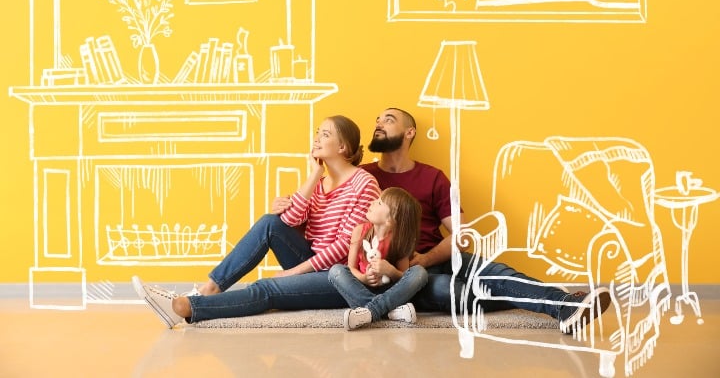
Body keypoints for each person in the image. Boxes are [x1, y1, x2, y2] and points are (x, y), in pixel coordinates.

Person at [361, 107, 611, 334]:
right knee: (446, 291)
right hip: (401, 271)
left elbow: (463, 235)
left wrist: (426, 258)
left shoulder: (432, 177)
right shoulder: (365, 177)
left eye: (388, 120)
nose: (379, 124)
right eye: (377, 120)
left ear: (409, 132)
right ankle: (529, 295)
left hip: (438, 256)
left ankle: (565, 306)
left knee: (499, 273)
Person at [132, 115, 381, 328]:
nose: (316, 138)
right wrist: (313, 176)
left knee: (268, 287)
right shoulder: (319, 182)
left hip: (339, 275)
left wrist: (291, 274)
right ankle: (209, 288)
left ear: (343, 147)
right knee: (268, 223)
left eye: (325, 134)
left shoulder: (364, 183)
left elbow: (345, 248)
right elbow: (287, 220)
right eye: (317, 132)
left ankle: (186, 308)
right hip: (311, 262)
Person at [328, 187, 428, 330]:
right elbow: (351, 268)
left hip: (391, 291)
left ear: (390, 220)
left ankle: (368, 312)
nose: (373, 202)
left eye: (380, 202)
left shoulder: (399, 240)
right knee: (335, 271)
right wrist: (363, 278)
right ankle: (390, 312)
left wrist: (390, 271)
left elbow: (404, 277)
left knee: (420, 272)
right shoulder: (359, 231)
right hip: (361, 289)